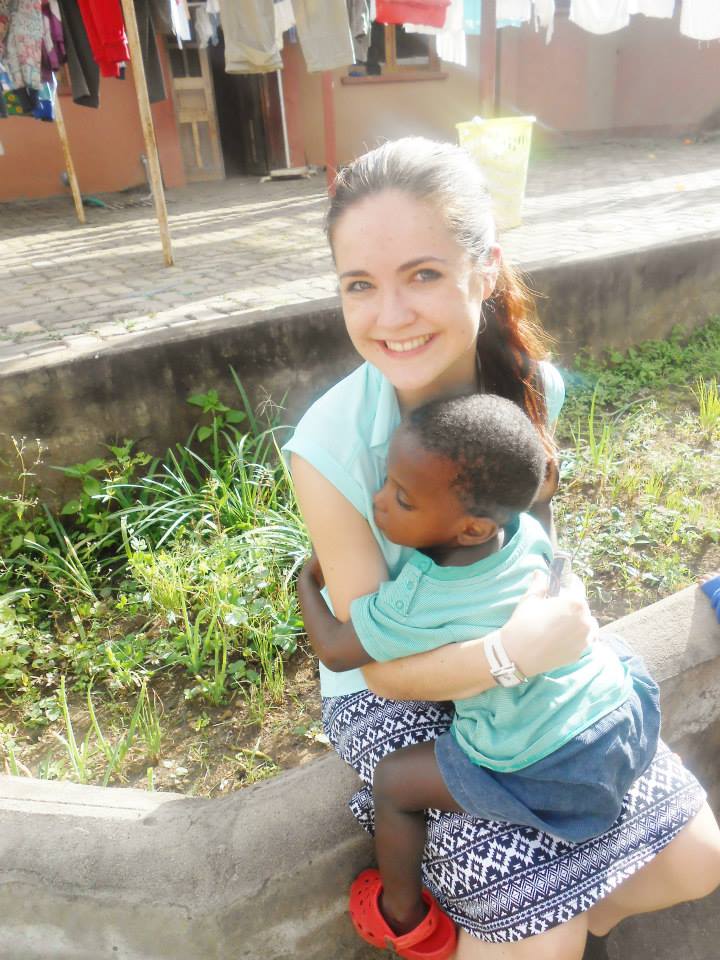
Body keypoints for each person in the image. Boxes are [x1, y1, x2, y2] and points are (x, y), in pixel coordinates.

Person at [284, 137, 720, 958]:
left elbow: (534, 543)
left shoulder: (526, 386)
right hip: (400, 690)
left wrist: (541, 643)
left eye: (422, 274)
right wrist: (509, 656)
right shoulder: (331, 445)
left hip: (530, 660)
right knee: (539, 940)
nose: (390, 316)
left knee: (696, 861)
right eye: (359, 286)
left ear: (483, 270)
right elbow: (375, 665)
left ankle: (553, 900)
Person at [297, 392, 661, 959]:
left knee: (396, 785)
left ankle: (402, 916)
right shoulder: (526, 535)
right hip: (619, 717)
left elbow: (338, 650)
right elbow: (541, 508)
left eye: (401, 498)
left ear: (469, 529)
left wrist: (304, 581)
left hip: (552, 761)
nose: (377, 503)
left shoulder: (425, 597)